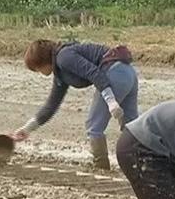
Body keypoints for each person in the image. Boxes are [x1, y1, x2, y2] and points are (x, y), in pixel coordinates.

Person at [11, 40, 139, 170]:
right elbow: (51, 106)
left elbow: (93, 72)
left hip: (113, 74)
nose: (39, 72)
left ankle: (101, 167)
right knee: (131, 125)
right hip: (128, 72)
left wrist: (110, 100)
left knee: (93, 126)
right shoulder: (61, 72)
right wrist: (27, 129)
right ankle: (140, 164)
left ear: (42, 61)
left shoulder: (64, 58)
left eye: (37, 68)